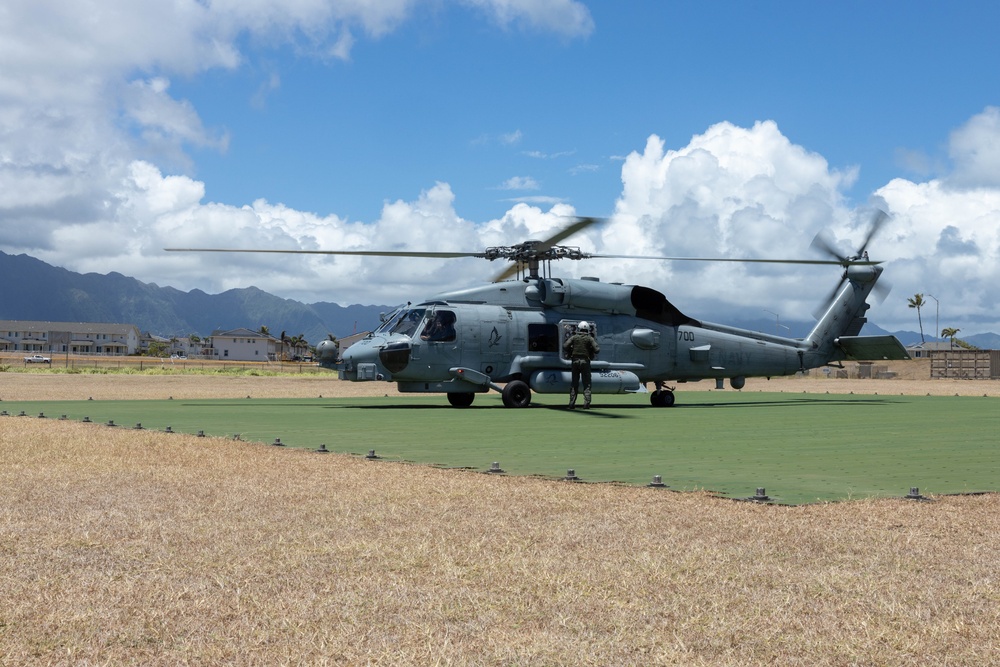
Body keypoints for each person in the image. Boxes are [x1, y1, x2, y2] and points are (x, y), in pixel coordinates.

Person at [562, 321, 599, 409]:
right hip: (585, 361)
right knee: (587, 383)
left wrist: (570, 351)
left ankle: (571, 404)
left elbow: (565, 346)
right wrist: (590, 350)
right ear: (587, 329)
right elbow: (597, 350)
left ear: (579, 328)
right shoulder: (589, 339)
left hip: (575, 361)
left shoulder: (574, 337)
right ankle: (586, 404)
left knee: (574, 383)